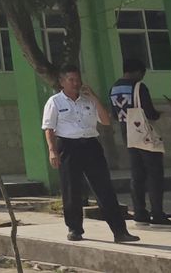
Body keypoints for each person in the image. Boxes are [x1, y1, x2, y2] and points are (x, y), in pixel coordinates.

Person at [42, 65, 139, 243]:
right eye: (71, 80)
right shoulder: (55, 101)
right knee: (72, 189)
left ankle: (120, 231)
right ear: (62, 82)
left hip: (91, 146)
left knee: (104, 188)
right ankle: (75, 229)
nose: (75, 83)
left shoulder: (88, 100)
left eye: (77, 79)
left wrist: (94, 97)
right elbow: (48, 128)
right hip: (68, 146)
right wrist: (52, 150)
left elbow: (106, 121)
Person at [109, 58, 171, 226]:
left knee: (137, 174)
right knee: (154, 173)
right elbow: (149, 112)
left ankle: (139, 212)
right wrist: (159, 114)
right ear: (138, 72)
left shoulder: (114, 88)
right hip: (144, 135)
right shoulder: (139, 87)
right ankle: (157, 213)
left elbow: (114, 114)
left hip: (128, 135)